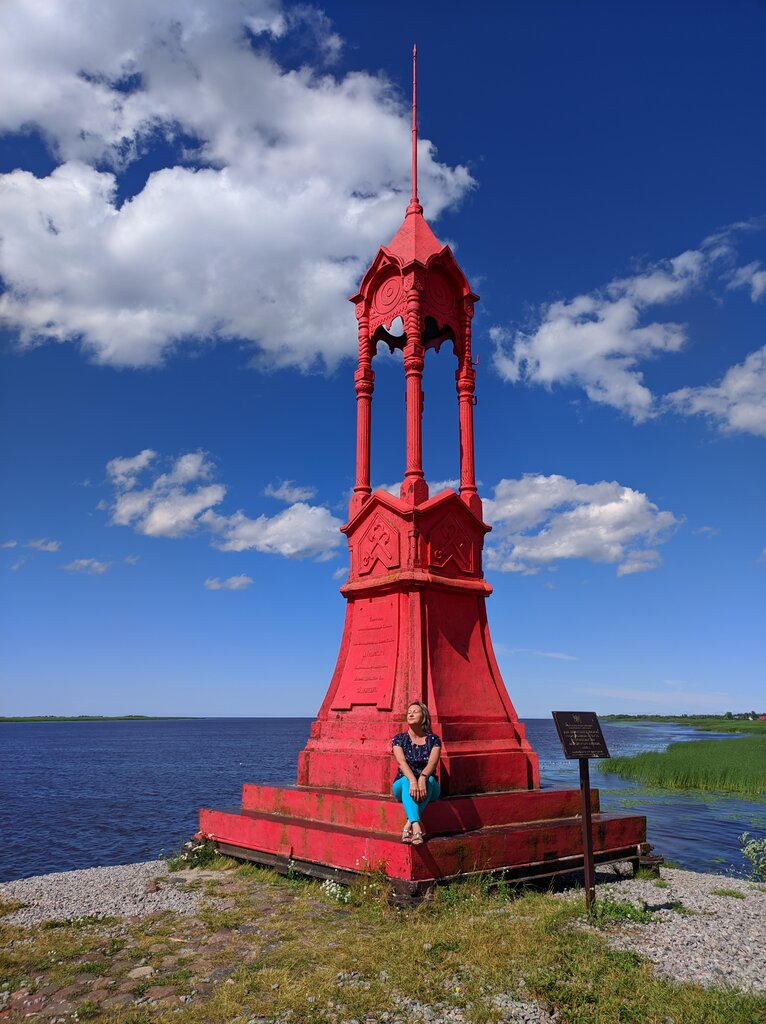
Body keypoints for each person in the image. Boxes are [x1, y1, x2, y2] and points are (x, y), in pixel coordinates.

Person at [391, 701, 441, 844]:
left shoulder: (434, 740)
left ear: (424, 717)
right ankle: (416, 825)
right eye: (409, 712)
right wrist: (413, 780)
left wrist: (422, 778)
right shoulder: (399, 739)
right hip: (403, 783)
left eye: (415, 711)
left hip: (427, 785)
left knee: (430, 780)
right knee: (407, 781)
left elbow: (432, 763)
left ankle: (409, 825)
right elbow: (401, 762)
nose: (411, 714)